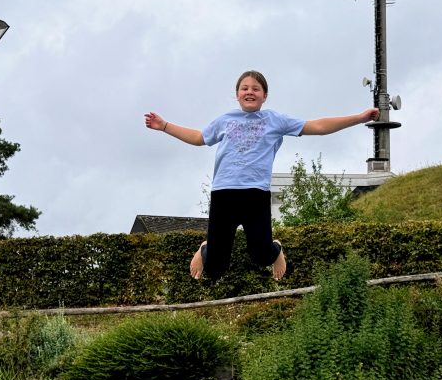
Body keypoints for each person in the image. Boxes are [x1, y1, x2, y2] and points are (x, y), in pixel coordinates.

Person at [145, 70, 378, 281]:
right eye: (244, 88)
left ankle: (276, 249)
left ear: (264, 96)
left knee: (262, 255)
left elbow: (317, 126)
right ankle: (206, 247)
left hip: (255, 194)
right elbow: (198, 138)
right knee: (215, 267)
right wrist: (164, 125)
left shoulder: (275, 120)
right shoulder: (225, 120)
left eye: (256, 89)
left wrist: (359, 118)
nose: (250, 92)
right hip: (223, 193)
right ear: (237, 94)